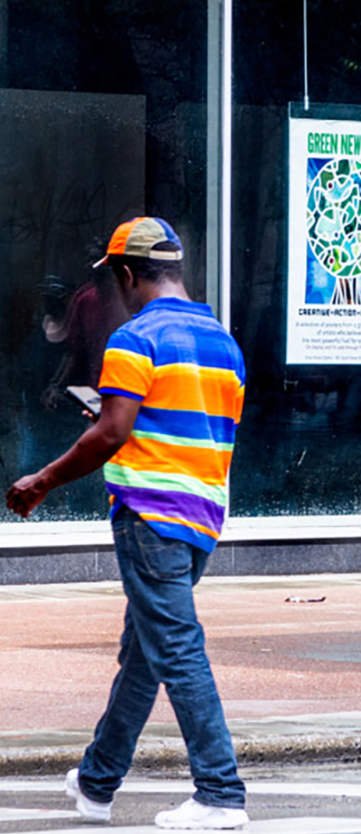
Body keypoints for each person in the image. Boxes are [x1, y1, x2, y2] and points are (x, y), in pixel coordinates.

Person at [5, 217, 250, 829]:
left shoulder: (134, 338)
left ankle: (220, 792)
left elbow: (111, 433)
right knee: (146, 653)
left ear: (125, 274)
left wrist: (42, 480)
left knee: (176, 649)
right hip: (202, 516)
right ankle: (96, 782)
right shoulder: (224, 342)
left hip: (150, 515)